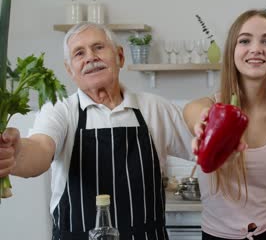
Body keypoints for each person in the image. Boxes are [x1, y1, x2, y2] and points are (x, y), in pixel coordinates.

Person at [0, 22, 194, 240]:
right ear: (70, 70)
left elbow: (205, 150)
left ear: (120, 56)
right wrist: (15, 153)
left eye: (98, 47)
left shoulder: (154, 108)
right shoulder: (60, 109)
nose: (90, 57)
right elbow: (40, 149)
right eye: (79, 53)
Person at [183, 9, 266, 240]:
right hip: (216, 235)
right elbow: (198, 118)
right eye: (245, 40)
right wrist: (204, 129)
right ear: (232, 51)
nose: (256, 49)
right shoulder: (202, 108)